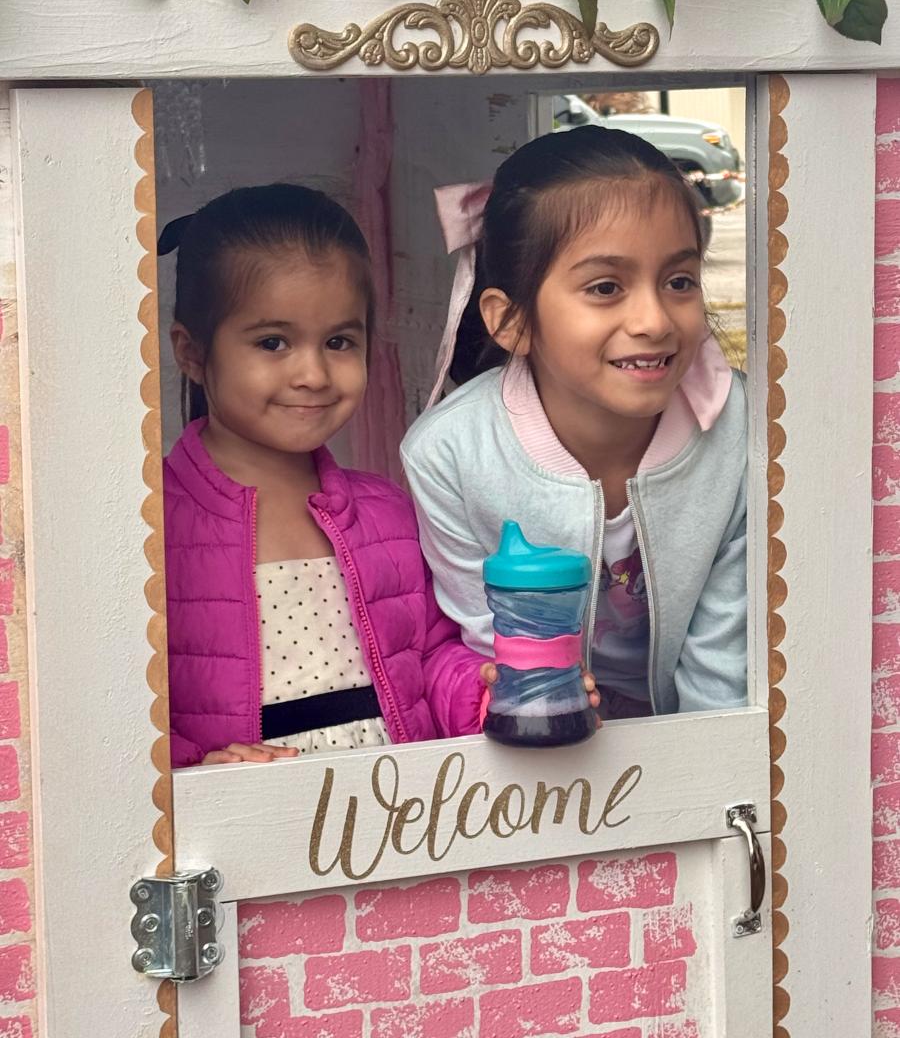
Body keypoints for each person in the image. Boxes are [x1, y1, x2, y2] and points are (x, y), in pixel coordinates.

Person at [401, 127, 747, 720]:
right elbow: (496, 657)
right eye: (606, 287)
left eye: (679, 281)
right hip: (547, 744)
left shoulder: (743, 428)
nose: (654, 320)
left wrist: (704, 766)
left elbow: (726, 668)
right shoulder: (448, 455)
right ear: (511, 321)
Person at [161, 183, 485, 768]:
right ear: (192, 352)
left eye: (338, 341)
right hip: (246, 817)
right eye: (273, 342)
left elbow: (433, 657)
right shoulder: (150, 524)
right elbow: (118, 711)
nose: (312, 373)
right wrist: (194, 773)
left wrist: (488, 695)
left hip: (399, 807)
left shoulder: (388, 511)